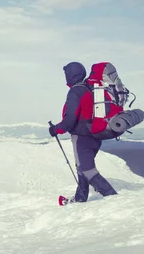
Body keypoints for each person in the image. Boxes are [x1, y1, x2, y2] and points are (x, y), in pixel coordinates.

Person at [49, 61, 118, 203]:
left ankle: (113, 199)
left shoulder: (75, 91)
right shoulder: (90, 88)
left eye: (66, 74)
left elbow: (70, 120)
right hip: (95, 135)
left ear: (70, 75)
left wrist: (55, 129)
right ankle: (80, 199)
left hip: (82, 137)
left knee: (87, 170)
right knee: (82, 167)